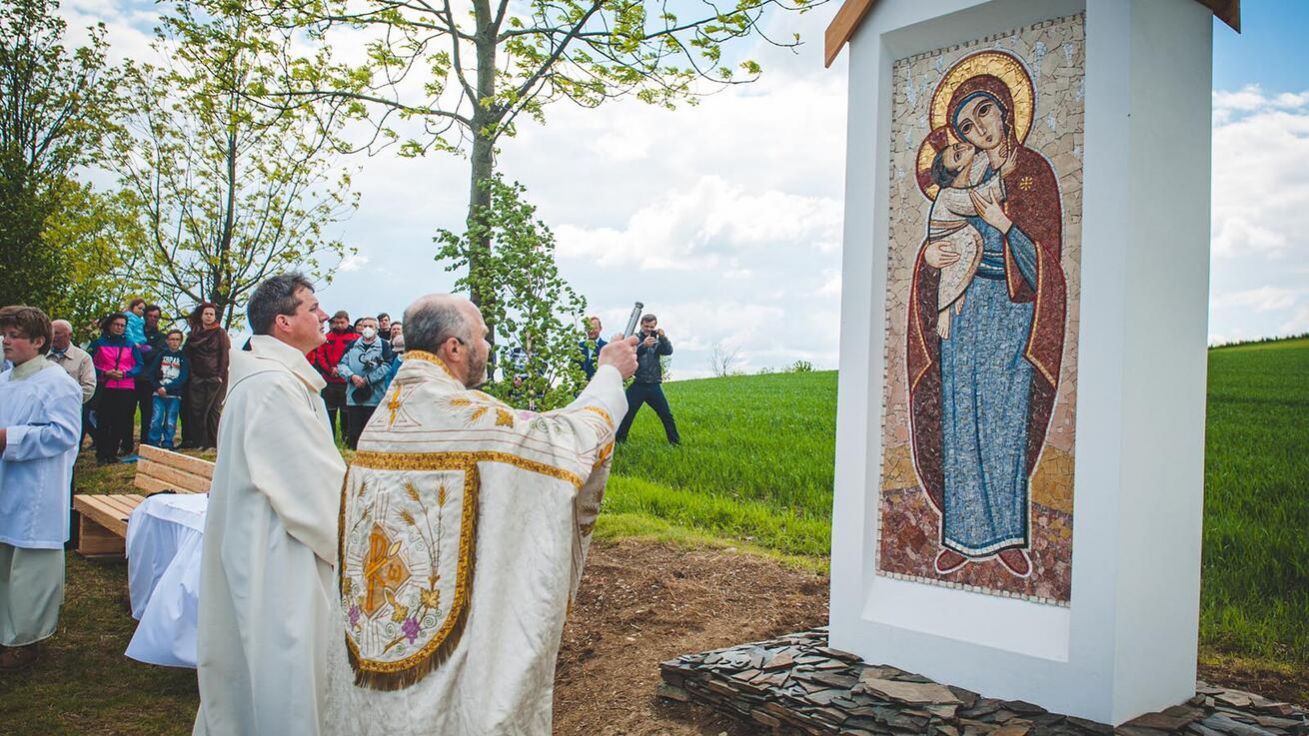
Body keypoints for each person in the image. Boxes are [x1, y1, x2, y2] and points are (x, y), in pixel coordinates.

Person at [326, 294, 637, 736]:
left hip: (380, 632)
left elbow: (514, 433)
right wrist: (608, 374)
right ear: (454, 348)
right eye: (483, 337)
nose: (488, 347)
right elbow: (563, 444)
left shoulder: (386, 417)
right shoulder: (464, 415)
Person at [907, 72, 1067, 578]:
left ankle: (1007, 537)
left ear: (1004, 110)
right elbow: (939, 236)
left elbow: (1049, 265)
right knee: (960, 415)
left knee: (1003, 418)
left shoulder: (1034, 173)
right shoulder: (966, 177)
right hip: (964, 306)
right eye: (965, 125)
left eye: (983, 113)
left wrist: (1003, 225)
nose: (977, 128)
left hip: (1011, 307)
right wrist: (930, 258)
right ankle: (962, 534)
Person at [193, 273, 346, 735]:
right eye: (312, 307)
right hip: (280, 549)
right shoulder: (273, 387)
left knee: (260, 661)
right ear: (283, 322)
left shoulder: (275, 378)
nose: (322, 316)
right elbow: (311, 486)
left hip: (265, 537)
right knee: (287, 661)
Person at [0, 306, 82, 670]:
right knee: (5, 563)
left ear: (38, 341)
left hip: (37, 489)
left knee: (30, 569)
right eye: (4, 333)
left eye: (15, 334)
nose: (6, 340)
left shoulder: (57, 381)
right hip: (7, 485)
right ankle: (5, 631)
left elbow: (64, 433)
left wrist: (10, 439)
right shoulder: (6, 379)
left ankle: (26, 641)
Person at [921, 134, 1008, 339]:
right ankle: (946, 307)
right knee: (962, 256)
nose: (963, 147)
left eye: (957, 147)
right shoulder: (950, 194)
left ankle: (958, 291)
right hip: (950, 234)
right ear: (957, 169)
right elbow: (978, 198)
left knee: (967, 251)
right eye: (958, 155)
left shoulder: (972, 167)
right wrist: (1004, 177)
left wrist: (994, 154)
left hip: (964, 237)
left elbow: (979, 166)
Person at [87, 313, 144, 464]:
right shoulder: (99, 343)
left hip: (125, 386)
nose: (119, 328)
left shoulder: (130, 343)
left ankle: (112, 453)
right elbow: (89, 364)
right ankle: (101, 454)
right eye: (116, 324)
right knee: (104, 421)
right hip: (106, 386)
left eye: (122, 325)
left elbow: (139, 365)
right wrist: (105, 373)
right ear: (110, 325)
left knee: (120, 421)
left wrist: (126, 374)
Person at [615, 313, 680, 445]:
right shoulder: (634, 339)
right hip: (639, 384)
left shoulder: (656, 340)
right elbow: (631, 354)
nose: (648, 329)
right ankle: (619, 442)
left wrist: (663, 338)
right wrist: (643, 346)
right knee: (627, 414)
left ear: (655, 326)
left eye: (651, 326)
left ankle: (675, 443)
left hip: (654, 385)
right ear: (641, 325)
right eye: (646, 326)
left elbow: (668, 351)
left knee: (666, 415)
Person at [182, 302, 230, 451]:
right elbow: (187, 356)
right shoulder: (193, 335)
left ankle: (213, 443)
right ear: (201, 316)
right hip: (197, 377)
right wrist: (192, 375)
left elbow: (225, 354)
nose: (209, 317)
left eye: (211, 314)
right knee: (197, 410)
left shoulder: (220, 333)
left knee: (213, 410)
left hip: (216, 377)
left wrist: (220, 375)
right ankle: (200, 442)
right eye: (206, 314)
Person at [337, 317, 390, 450]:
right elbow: (341, 364)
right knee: (354, 431)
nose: (367, 328)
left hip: (375, 397)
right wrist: (352, 376)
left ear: (377, 329)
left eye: (371, 326)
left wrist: (368, 379)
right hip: (354, 397)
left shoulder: (384, 345)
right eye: (364, 325)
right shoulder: (351, 345)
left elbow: (387, 365)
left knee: (373, 432)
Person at [307, 310, 358, 441]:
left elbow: (355, 357)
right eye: (337, 322)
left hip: (346, 381)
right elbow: (320, 355)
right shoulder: (327, 338)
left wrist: (344, 371)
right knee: (330, 412)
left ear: (348, 321)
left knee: (346, 413)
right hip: (329, 381)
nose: (339, 325)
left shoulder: (355, 338)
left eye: (342, 322)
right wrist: (329, 369)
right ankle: (330, 439)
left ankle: (346, 439)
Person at [146, 330, 189, 449]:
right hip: (158, 393)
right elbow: (151, 374)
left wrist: (167, 388)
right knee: (156, 419)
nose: (174, 342)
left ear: (181, 341)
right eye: (172, 339)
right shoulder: (161, 355)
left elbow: (183, 377)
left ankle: (168, 443)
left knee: (170, 421)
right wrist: (158, 387)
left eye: (177, 339)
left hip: (174, 395)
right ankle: (153, 442)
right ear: (167, 341)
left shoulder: (183, 358)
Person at [134, 305, 167, 448]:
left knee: (148, 414)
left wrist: (140, 350)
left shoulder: (161, 337)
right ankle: (126, 444)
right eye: (150, 316)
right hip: (132, 378)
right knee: (127, 413)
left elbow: (154, 354)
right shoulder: (136, 333)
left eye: (156, 317)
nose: (153, 319)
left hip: (149, 380)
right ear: (145, 317)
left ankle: (145, 443)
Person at [47, 320, 97, 407]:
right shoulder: (40, 355)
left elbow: (88, 387)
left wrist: (66, 402)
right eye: (50, 332)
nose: (53, 336)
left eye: (57, 333)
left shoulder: (83, 358)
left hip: (69, 409)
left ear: (69, 335)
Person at [579, 315, 607, 380]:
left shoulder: (606, 347)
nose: (591, 331)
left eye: (595, 328)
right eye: (589, 328)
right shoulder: (579, 347)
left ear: (600, 329)